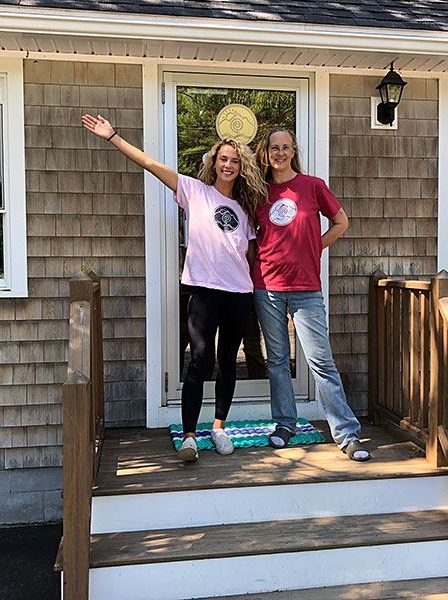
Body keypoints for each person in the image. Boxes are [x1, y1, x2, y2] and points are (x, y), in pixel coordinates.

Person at [82, 114, 267, 461]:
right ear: (214, 163)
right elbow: (150, 163)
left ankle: (219, 428)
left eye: (235, 161)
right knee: (199, 361)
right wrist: (113, 137)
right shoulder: (195, 191)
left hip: (240, 293)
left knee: (228, 361)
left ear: (242, 167)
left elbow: (252, 253)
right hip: (203, 290)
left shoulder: (246, 208)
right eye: (223, 159)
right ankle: (189, 437)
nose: (228, 165)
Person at [253, 127, 371, 461]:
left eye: (285, 147)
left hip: (305, 287)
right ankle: (285, 424)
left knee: (321, 361)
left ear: (294, 152)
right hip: (266, 287)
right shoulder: (258, 191)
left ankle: (346, 434)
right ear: (266, 153)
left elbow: (341, 222)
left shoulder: (313, 186)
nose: (279, 153)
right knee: (277, 361)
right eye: (274, 148)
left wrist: (313, 246)